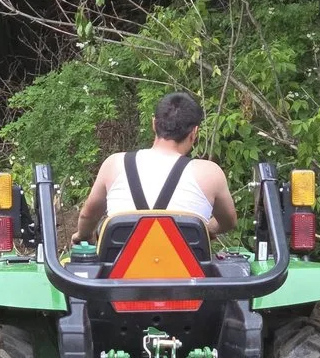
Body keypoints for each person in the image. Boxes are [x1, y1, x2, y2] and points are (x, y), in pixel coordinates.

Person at [71, 92, 237, 244]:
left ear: (154, 124)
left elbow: (88, 214)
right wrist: (204, 229)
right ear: (194, 133)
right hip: (188, 275)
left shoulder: (114, 164)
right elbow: (228, 221)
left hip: (120, 275)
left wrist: (82, 236)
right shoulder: (210, 173)